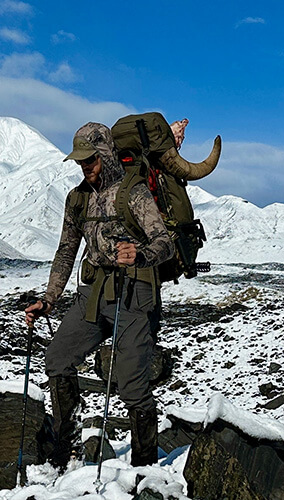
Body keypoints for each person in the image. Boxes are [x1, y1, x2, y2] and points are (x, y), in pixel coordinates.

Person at [23, 121, 180, 468]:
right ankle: (67, 453)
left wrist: (140, 255)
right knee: (57, 359)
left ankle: (143, 468)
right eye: (81, 162)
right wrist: (49, 299)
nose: (86, 167)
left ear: (106, 154)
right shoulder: (77, 199)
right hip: (92, 295)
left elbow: (164, 243)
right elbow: (66, 251)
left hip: (134, 295)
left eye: (91, 160)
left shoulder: (134, 193)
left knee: (132, 386)